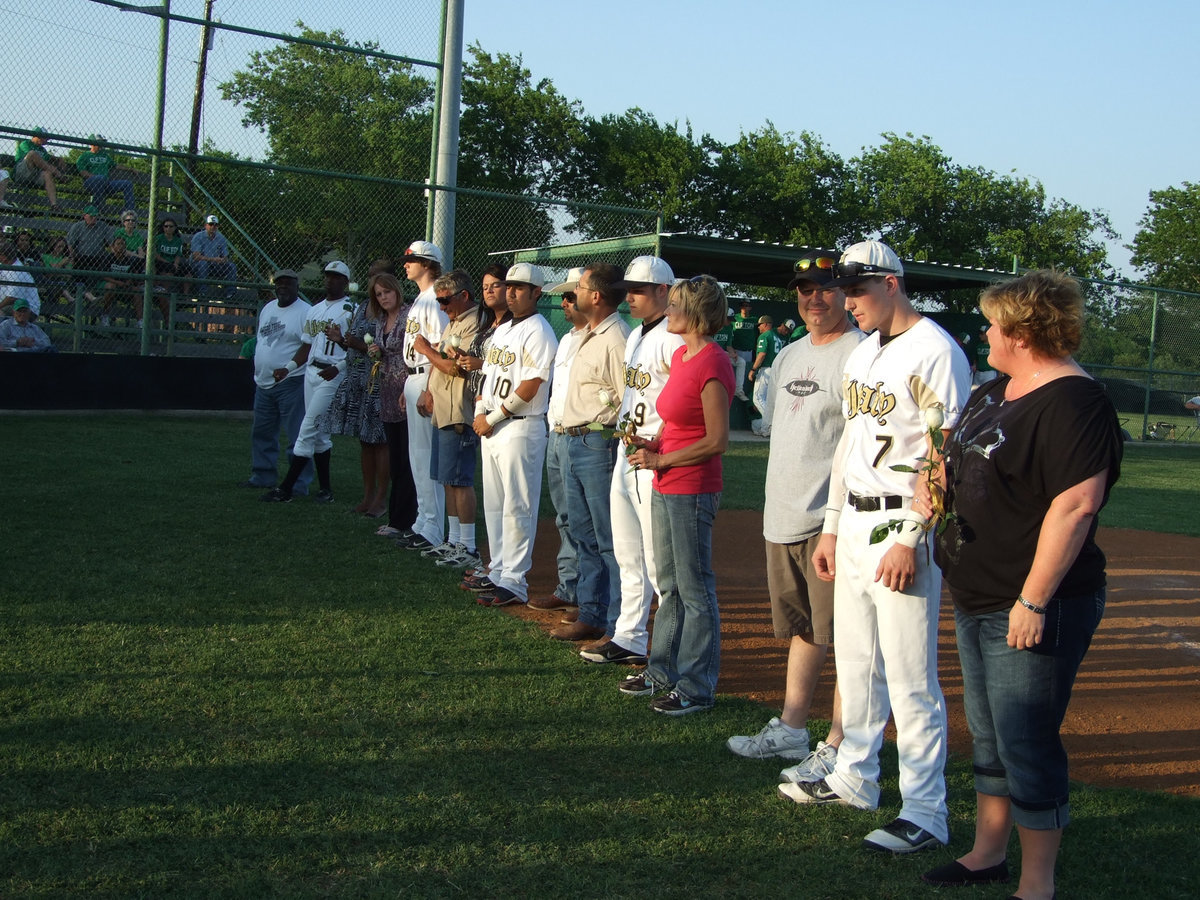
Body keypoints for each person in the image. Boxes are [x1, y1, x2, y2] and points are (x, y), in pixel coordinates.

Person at [917, 271, 1122, 900]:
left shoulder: (1075, 403)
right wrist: (934, 481)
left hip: (1033, 602)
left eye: (993, 325)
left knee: (1027, 740)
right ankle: (988, 853)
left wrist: (1033, 600)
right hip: (976, 592)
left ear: (1023, 334)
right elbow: (951, 454)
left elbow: (1076, 506)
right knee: (990, 734)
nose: (985, 334)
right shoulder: (994, 390)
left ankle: (1037, 883)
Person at [791, 241, 971, 857]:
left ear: (891, 284)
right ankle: (854, 776)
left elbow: (946, 457)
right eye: (844, 290)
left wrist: (912, 536)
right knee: (858, 664)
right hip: (855, 524)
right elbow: (850, 443)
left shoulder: (937, 351)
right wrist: (832, 524)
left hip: (901, 523)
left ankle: (925, 811)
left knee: (911, 677)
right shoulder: (864, 351)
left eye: (857, 289)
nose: (848, 302)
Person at [728, 250, 863, 783]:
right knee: (804, 629)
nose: (814, 298)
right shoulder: (788, 355)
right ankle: (791, 728)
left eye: (826, 288)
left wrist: (836, 520)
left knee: (848, 638)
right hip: (782, 513)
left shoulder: (860, 355)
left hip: (829, 522)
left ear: (846, 293)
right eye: (805, 290)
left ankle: (841, 743)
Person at [620, 274, 736, 715]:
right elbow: (675, 420)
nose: (668, 311)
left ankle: (696, 685)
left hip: (692, 487)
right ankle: (662, 671)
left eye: (675, 305)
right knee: (668, 583)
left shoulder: (713, 362)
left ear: (696, 313)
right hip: (667, 480)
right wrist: (654, 443)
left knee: (694, 588)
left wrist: (661, 459)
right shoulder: (682, 356)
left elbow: (717, 440)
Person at [581, 255, 683, 665]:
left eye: (638, 290)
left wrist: (661, 445)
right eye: (628, 291)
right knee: (627, 552)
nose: (630, 298)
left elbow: (684, 401)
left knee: (657, 561)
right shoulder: (639, 334)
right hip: (627, 452)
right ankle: (629, 637)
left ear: (664, 290)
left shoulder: (674, 337)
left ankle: (671, 650)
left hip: (654, 456)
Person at [549, 262, 631, 642]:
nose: (573, 294)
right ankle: (591, 612)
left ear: (595, 296)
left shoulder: (616, 339)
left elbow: (627, 400)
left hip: (598, 441)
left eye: (579, 288)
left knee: (607, 538)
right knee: (583, 534)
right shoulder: (589, 334)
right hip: (573, 440)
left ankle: (615, 623)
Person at [471, 262, 558, 607]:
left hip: (521, 426)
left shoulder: (540, 331)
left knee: (518, 506)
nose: (511, 293)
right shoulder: (504, 328)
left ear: (537, 292)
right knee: (494, 504)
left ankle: (515, 580)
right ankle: (498, 570)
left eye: (519, 287)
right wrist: (480, 412)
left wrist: (493, 416)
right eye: (509, 286)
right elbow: (487, 377)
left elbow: (532, 384)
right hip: (493, 425)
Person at [261, 261, 356, 503]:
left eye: (336, 277)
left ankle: (286, 489)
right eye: (328, 276)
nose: (330, 280)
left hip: (333, 373)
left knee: (307, 429)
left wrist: (339, 367)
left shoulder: (351, 310)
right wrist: (289, 368)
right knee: (320, 436)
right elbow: (307, 345)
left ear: (345, 282)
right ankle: (325, 490)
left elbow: (358, 349)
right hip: (311, 372)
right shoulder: (314, 310)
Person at [410, 269, 484, 569]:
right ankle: (454, 540)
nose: (442, 307)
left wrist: (425, 349)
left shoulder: (475, 322)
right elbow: (442, 363)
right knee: (447, 480)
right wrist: (428, 390)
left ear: (464, 295)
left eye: (445, 300)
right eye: (439, 301)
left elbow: (455, 367)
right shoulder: (454, 321)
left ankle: (468, 545)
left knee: (460, 481)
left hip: (459, 410)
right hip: (442, 408)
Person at [529, 268, 587, 616]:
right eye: (563, 297)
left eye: (570, 296)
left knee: (586, 521)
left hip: (585, 438)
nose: (564, 303)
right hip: (557, 433)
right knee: (564, 517)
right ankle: (569, 587)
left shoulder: (606, 337)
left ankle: (589, 595)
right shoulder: (566, 339)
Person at [456, 264, 512, 592]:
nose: (489, 290)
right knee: (494, 499)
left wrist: (480, 364)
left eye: (497, 285)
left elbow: (514, 373)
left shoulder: (518, 326)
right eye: (486, 285)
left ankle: (509, 573)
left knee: (511, 502)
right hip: (482, 407)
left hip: (506, 416)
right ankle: (495, 565)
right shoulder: (487, 323)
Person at [394, 240, 450, 553]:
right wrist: (409, 386)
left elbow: (441, 347)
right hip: (414, 376)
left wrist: (428, 388)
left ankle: (432, 527)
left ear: (427, 264)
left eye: (412, 260)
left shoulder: (435, 299)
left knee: (426, 456)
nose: (406, 264)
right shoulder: (421, 298)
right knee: (417, 456)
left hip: (428, 375)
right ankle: (422, 521)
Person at [240, 269, 313, 495]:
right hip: (263, 383)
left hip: (292, 381)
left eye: (288, 283)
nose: (283, 287)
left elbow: (309, 345)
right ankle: (262, 476)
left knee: (296, 436)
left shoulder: (305, 312)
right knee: (262, 433)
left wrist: (289, 367)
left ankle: (298, 483)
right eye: (279, 283)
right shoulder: (268, 308)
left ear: (297, 286)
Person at [320, 283, 390, 518]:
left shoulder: (389, 311)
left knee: (380, 441)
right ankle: (367, 496)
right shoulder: (362, 307)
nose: (372, 283)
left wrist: (357, 344)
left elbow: (383, 350)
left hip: (378, 381)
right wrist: (341, 339)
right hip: (358, 380)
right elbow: (355, 344)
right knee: (365, 441)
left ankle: (381, 498)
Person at [367, 272, 419, 539]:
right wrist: (376, 351)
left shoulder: (410, 315)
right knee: (395, 458)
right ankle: (396, 516)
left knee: (407, 458)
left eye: (387, 291)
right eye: (378, 294)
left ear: (397, 291)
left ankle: (405, 519)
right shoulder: (380, 320)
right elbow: (384, 350)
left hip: (406, 388)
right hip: (387, 391)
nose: (383, 297)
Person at [75, 135, 136, 212]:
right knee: (100, 179)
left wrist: (131, 169)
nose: (101, 145)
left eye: (102, 143)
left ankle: (130, 212)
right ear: (92, 144)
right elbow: (83, 173)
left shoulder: (104, 155)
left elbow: (116, 166)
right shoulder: (84, 156)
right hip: (90, 183)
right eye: (99, 143)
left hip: (106, 183)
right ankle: (95, 209)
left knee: (128, 184)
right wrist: (97, 177)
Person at [749, 314, 784, 436]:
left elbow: (762, 354)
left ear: (765, 324)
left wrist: (753, 369)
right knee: (766, 400)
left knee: (758, 398)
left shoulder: (765, 336)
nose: (759, 327)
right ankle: (767, 426)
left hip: (766, 369)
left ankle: (771, 425)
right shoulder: (776, 337)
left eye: (760, 325)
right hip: (775, 370)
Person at [12, 128, 62, 209]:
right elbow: (31, 157)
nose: (46, 140)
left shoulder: (42, 149)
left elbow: (46, 160)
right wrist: (54, 170)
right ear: (36, 136)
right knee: (32, 154)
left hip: (35, 175)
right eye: (44, 138)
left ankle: (54, 205)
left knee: (47, 173)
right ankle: (58, 174)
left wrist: (58, 159)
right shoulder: (26, 143)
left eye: (47, 139)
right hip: (22, 172)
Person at [98, 235, 144, 326]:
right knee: (111, 286)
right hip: (108, 284)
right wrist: (117, 282)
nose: (121, 246)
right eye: (118, 244)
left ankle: (140, 321)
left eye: (123, 244)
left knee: (136, 290)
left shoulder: (129, 260)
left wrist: (128, 282)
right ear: (113, 246)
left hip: (123, 286)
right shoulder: (108, 258)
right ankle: (105, 315)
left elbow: (132, 274)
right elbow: (103, 276)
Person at [190, 215, 236, 300]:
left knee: (231, 266)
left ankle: (231, 294)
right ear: (206, 225)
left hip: (215, 266)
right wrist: (214, 259)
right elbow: (196, 257)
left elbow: (226, 256)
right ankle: (202, 293)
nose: (213, 227)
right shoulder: (198, 236)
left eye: (215, 225)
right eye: (211, 224)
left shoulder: (221, 238)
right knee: (203, 264)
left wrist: (223, 260)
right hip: (198, 265)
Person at [0, 241, 41, 317]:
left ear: (4, 257)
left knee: (1, 310)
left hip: (28, 309)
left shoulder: (18, 272)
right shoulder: (4, 264)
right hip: (10, 305)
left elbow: (11, 298)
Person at [730, 298, 756, 400]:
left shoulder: (754, 320)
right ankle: (734, 392)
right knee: (734, 371)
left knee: (745, 373)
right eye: (743, 305)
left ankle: (741, 392)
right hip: (736, 350)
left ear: (750, 307)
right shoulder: (734, 318)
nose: (744, 307)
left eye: (747, 305)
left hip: (748, 350)